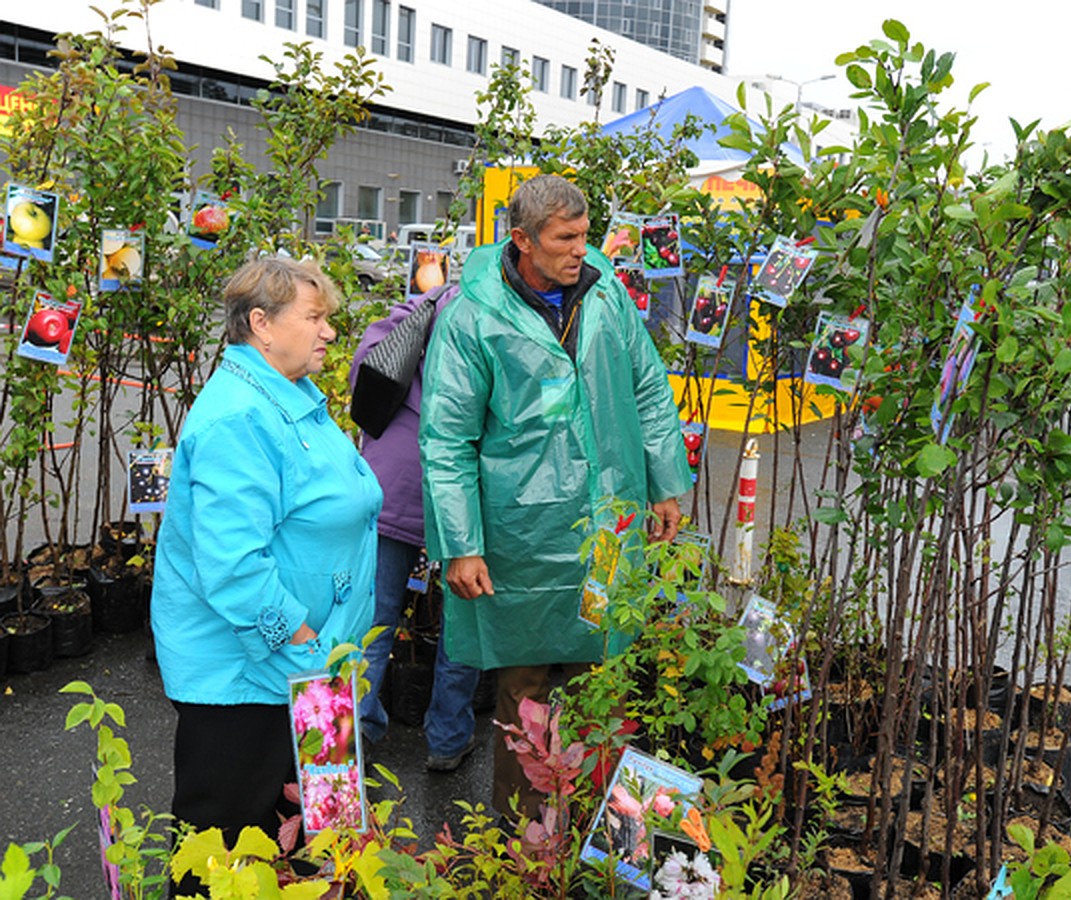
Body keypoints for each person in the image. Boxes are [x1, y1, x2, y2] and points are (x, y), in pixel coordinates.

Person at [419, 174, 692, 820]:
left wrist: (667, 483)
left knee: (604, 682)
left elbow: (648, 388)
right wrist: (461, 545)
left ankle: (600, 845)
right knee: (527, 695)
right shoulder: (474, 316)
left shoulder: (602, 294)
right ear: (521, 240)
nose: (580, 251)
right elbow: (446, 437)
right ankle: (524, 854)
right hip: (523, 537)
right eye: (564, 239)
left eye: (585, 235)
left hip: (607, 522)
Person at [151, 257, 382, 882]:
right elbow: (232, 564)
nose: (329, 332)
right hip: (254, 674)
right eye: (314, 318)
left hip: (319, 664)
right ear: (262, 324)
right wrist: (300, 638)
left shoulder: (292, 395)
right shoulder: (239, 418)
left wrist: (324, 655)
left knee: (322, 834)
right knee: (227, 851)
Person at [351, 288, 482, 770]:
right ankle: (447, 738)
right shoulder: (497, 320)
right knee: (464, 623)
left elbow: (366, 370)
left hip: (392, 482)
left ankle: (360, 730)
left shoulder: (423, 310)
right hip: (465, 496)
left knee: (374, 618)